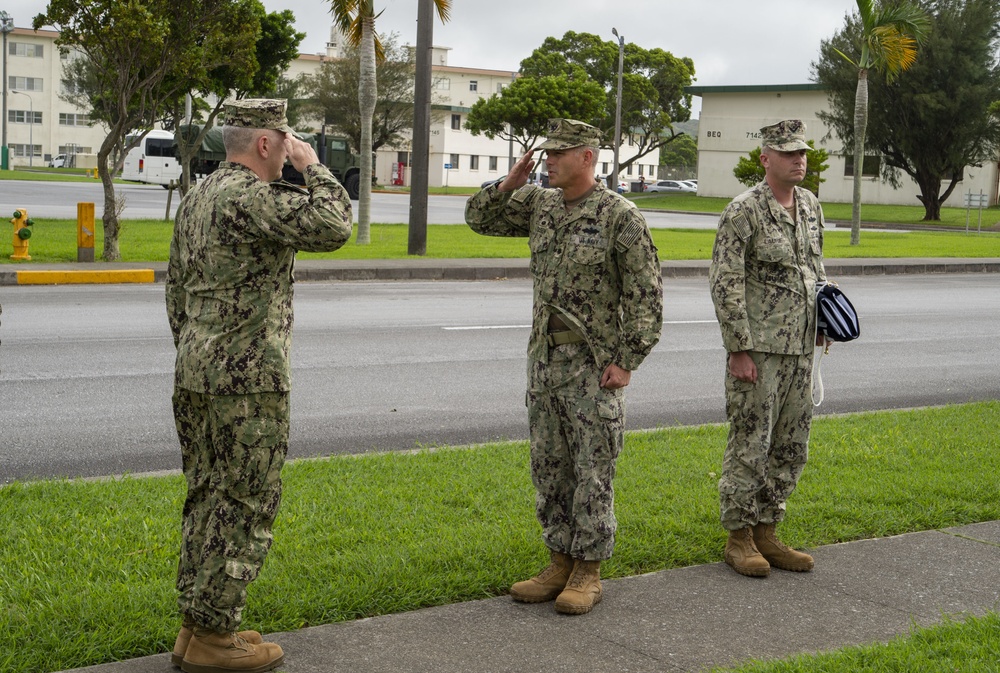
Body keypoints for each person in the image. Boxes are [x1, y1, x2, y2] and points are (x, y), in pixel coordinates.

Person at [165, 98, 353, 672]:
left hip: (196, 372)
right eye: (286, 138)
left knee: (206, 496)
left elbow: (176, 288)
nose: (290, 148)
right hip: (246, 381)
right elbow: (335, 224)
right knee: (246, 501)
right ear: (267, 144)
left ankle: (197, 626)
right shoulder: (252, 197)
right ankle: (215, 640)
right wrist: (313, 164)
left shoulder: (199, 194)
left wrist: (196, 350)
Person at [465, 118, 663, 615]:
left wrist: (626, 361)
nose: (548, 160)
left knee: (593, 468)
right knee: (549, 465)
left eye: (559, 153)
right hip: (544, 362)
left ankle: (588, 571)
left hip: (592, 366)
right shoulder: (540, 205)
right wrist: (508, 184)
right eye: (546, 153)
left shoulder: (621, 216)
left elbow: (647, 297)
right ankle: (557, 561)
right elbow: (478, 219)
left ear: (587, 157)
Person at [708, 119, 828, 579]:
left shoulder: (811, 206)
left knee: (791, 443)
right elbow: (726, 282)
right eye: (788, 153)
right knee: (750, 442)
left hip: (800, 347)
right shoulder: (744, 211)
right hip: (758, 350)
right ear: (765, 159)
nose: (799, 159)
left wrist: (823, 318)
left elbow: (813, 268)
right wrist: (738, 348)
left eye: (802, 152)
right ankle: (738, 537)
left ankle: (767, 530)